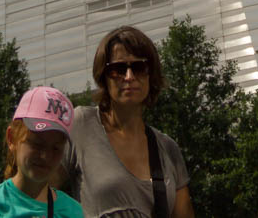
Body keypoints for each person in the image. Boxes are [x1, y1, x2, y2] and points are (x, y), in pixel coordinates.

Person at [67, 25, 194, 218]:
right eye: (118, 70)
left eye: (139, 67)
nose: (129, 77)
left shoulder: (168, 148)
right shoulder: (81, 124)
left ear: (151, 75)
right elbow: (40, 191)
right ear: (103, 76)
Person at [0, 86, 84, 218]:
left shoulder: (73, 212)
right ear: (12, 138)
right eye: (37, 144)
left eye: (56, 148)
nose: (46, 156)